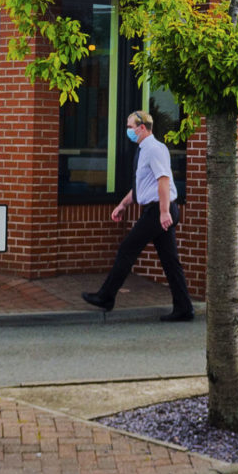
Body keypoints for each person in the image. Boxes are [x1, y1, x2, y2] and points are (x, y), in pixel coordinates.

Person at [84, 108, 195, 321]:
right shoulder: (144, 149)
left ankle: (106, 296)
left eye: (130, 127)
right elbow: (142, 186)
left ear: (142, 128)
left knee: (127, 249)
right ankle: (184, 308)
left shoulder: (154, 149)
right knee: (170, 261)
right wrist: (123, 205)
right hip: (158, 208)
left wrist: (163, 212)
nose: (128, 131)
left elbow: (163, 180)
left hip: (158, 210)